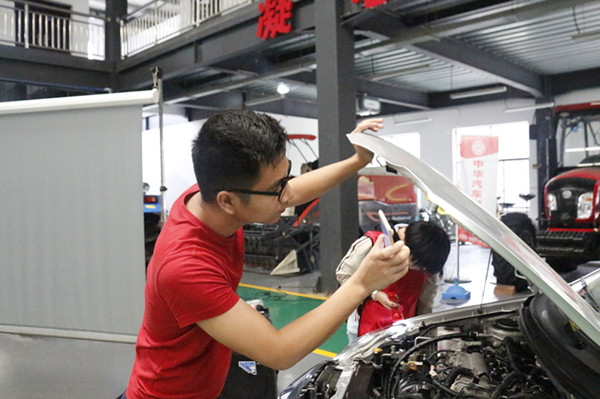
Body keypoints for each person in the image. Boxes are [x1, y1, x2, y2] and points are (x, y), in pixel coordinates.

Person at [121, 109, 411, 399]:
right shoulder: (185, 266)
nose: (287, 195)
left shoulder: (212, 195)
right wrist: (361, 283)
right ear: (229, 202)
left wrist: (357, 161)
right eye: (277, 188)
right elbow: (279, 352)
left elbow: (292, 191)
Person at [336, 221, 451, 343]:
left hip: (404, 331)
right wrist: (374, 293)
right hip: (364, 329)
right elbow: (344, 276)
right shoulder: (372, 243)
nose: (420, 271)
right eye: (418, 266)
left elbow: (426, 304)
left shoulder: (427, 261)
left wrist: (428, 338)